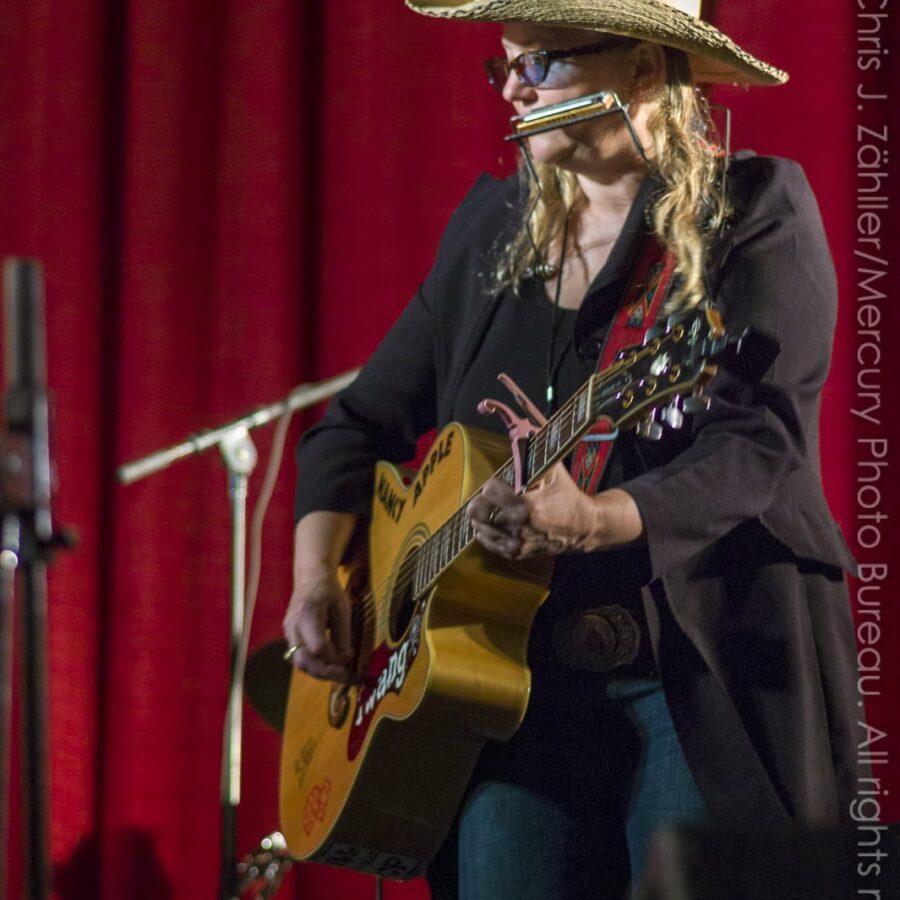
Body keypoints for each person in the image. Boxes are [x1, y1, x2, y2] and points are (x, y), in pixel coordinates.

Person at [282, 1, 861, 897]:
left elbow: (760, 443)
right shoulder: (490, 236)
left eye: (543, 64)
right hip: (511, 694)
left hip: (698, 672)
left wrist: (594, 518)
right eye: (503, 67)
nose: (512, 90)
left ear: (640, 67)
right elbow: (353, 428)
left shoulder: (754, 213)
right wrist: (319, 576)